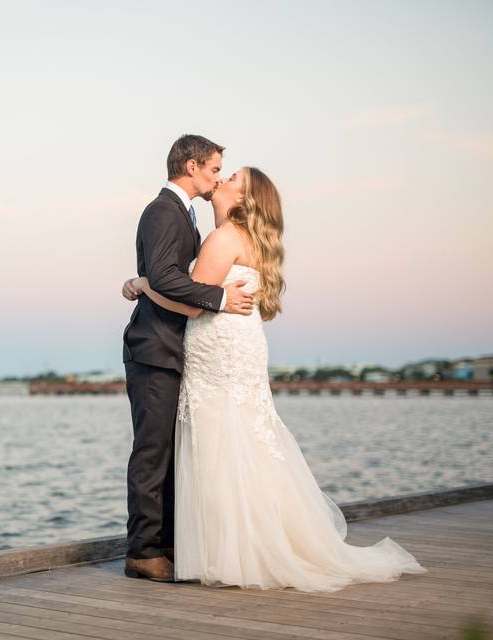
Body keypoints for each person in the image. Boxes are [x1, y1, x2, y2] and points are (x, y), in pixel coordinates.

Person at [123, 165, 427, 590]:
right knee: (244, 439)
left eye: (231, 179)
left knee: (219, 442)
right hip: (242, 345)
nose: (222, 180)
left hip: (218, 348)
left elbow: (190, 304)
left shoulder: (223, 237)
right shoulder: (250, 240)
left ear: (244, 199)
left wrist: (142, 281)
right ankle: (244, 542)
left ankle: (224, 550)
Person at [120, 134, 255, 582]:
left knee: (173, 454)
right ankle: (143, 551)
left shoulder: (185, 213)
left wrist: (142, 282)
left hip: (174, 349)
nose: (218, 178)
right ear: (193, 166)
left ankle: (169, 545)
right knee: (152, 452)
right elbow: (165, 277)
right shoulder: (163, 210)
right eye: (215, 169)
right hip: (154, 349)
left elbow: (159, 277)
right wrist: (217, 297)